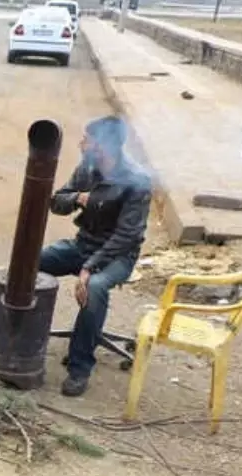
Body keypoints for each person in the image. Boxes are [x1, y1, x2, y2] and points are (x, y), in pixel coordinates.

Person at [40, 114, 152, 397]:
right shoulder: (88, 169)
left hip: (117, 256)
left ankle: (80, 368)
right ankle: (26, 338)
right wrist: (77, 197)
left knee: (95, 286)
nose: (81, 143)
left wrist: (89, 267)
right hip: (83, 245)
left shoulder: (136, 181)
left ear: (104, 145)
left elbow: (126, 236)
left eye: (87, 140)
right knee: (33, 262)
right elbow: (56, 202)